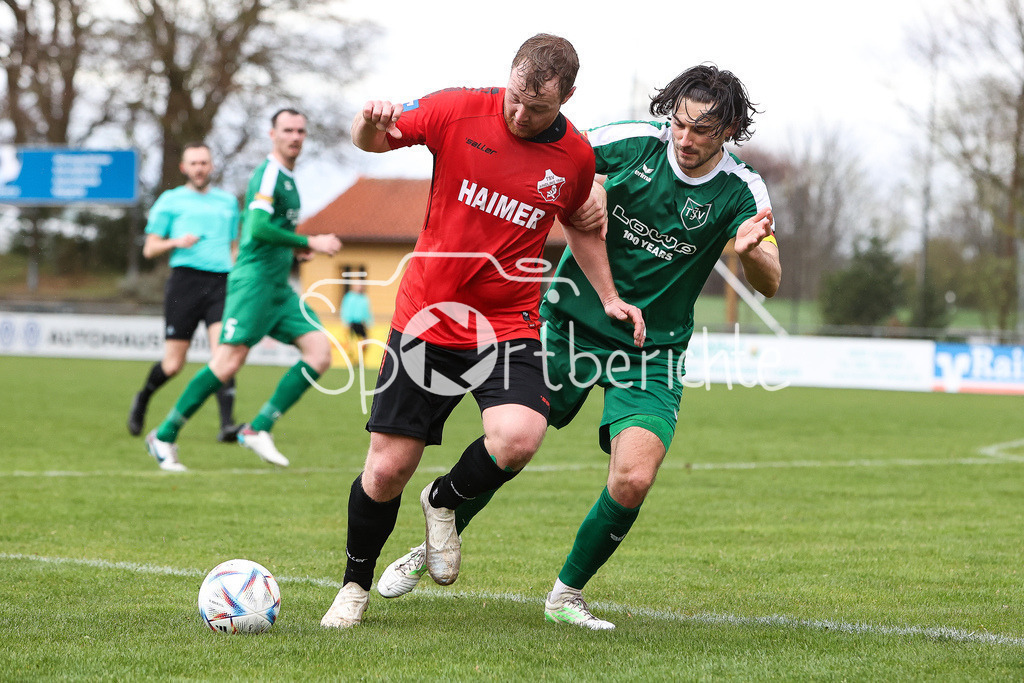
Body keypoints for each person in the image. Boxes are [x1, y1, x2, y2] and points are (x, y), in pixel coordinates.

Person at [375, 64, 781, 630]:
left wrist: (750, 250)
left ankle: (566, 595)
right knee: (510, 443)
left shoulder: (743, 189)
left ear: (729, 131)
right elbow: (559, 156)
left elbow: (771, 280)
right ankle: (435, 538)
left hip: (651, 350)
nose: (685, 139)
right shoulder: (631, 141)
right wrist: (587, 184)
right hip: (568, 326)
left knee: (635, 476)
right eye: (680, 124)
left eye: (703, 131)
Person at [320, 33, 645, 629]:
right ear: (509, 75)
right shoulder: (456, 110)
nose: (520, 114)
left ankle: (442, 501)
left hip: (507, 323)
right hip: (427, 316)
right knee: (386, 470)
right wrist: (368, 121)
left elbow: (580, 224)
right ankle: (353, 586)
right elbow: (372, 142)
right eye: (515, 97)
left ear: (568, 97)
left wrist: (609, 296)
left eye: (537, 108)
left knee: (519, 437)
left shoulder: (575, 156)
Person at [145, 108, 342, 472]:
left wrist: (293, 249)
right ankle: (164, 435)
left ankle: (258, 428)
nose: (295, 137)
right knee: (227, 363)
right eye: (287, 130)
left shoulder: (288, 178)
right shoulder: (269, 174)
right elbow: (258, 227)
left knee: (319, 353)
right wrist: (309, 240)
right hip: (253, 283)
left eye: (300, 131)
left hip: (278, 287)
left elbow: (270, 232)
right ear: (272, 134)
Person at [126, 143, 241, 443]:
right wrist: (175, 242)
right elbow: (150, 248)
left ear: (211, 166)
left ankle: (227, 425)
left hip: (221, 283)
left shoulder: (228, 202)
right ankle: (143, 397)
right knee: (173, 364)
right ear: (184, 168)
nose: (199, 168)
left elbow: (233, 247)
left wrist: (239, 274)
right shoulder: (170, 200)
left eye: (204, 162)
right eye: (193, 163)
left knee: (224, 354)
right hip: (184, 284)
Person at [340, 281, 373, 349]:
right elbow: (345, 310)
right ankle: (352, 354)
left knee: (365, 341)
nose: (359, 287)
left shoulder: (364, 298)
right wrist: (345, 321)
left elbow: (367, 311)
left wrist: (369, 323)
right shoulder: (349, 297)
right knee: (350, 342)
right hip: (351, 323)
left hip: (361, 323)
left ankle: (361, 353)